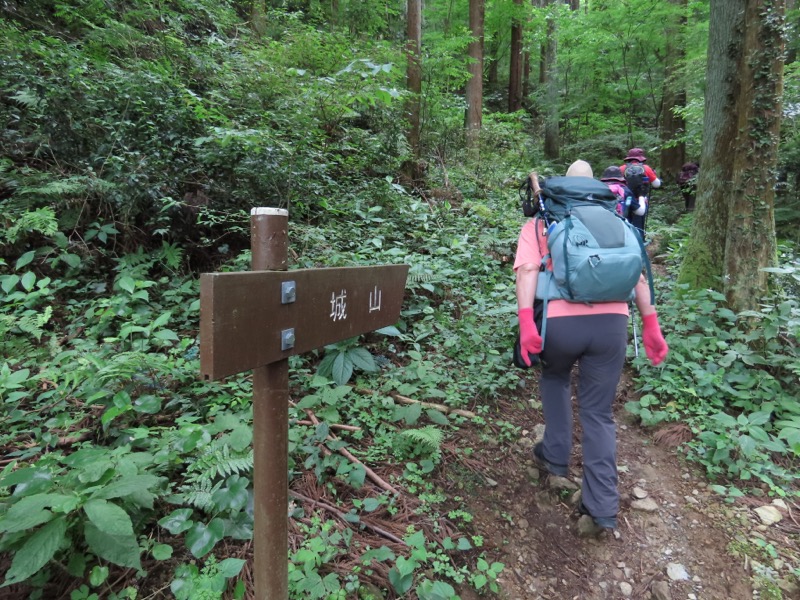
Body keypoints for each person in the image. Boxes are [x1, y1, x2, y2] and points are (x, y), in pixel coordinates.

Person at [514, 159, 669, 536]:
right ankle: (601, 508)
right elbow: (639, 276)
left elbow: (529, 272)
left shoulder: (541, 222)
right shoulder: (620, 222)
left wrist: (525, 324)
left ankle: (555, 456)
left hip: (561, 324)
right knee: (599, 413)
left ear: (560, 188)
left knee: (555, 378)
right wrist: (651, 325)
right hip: (612, 326)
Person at [620, 148, 661, 240]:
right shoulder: (646, 168)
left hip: (625, 200)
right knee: (639, 224)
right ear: (641, 158)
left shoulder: (622, 168)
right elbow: (657, 184)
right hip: (640, 200)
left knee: (625, 222)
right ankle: (640, 243)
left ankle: (627, 242)